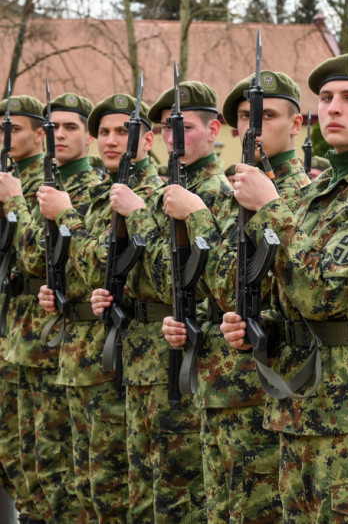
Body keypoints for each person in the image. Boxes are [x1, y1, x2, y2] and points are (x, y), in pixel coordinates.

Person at [222, 52, 348, 522]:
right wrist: (256, 325)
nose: (332, 108)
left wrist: (269, 208)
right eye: (326, 98)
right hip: (298, 411)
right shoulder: (314, 194)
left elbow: (323, 293)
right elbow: (284, 293)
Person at [162, 71, 309, 522]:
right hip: (219, 385)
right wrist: (197, 324)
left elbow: (270, 284)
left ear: (297, 124)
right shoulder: (232, 197)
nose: (254, 127)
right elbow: (216, 288)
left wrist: (200, 220)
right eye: (246, 117)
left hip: (265, 392)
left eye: (266, 115)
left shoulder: (303, 198)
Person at [90, 80, 233, 523]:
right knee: (144, 489)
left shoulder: (220, 194)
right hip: (145, 357)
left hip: (191, 361)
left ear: (214, 131)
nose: (174, 138)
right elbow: (139, 273)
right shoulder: (164, 191)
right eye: (169, 130)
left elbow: (179, 275)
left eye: (185, 127)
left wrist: (137, 217)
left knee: (179, 494)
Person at [37, 93, 160, 524]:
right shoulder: (102, 195)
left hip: (128, 361)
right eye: (104, 132)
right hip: (87, 353)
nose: (112, 140)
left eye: (123, 132)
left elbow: (107, 262)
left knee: (120, 489)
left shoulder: (153, 196)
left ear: (148, 139)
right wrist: (61, 292)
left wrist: (67, 217)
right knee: (88, 484)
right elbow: (77, 268)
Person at [0, 93, 102, 523]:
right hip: (18, 335)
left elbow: (39, 259)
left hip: (55, 340)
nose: (58, 135)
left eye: (70, 127)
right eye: (53, 126)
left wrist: (14, 203)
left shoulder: (84, 190)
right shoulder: (24, 181)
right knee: (20, 460)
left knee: (58, 467)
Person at [0, 95, 48, 523]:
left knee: (31, 455)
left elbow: (35, 258)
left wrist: (14, 200)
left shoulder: (49, 184)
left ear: (39, 133)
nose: (5, 137)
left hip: (36, 336)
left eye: (13, 129)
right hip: (9, 330)